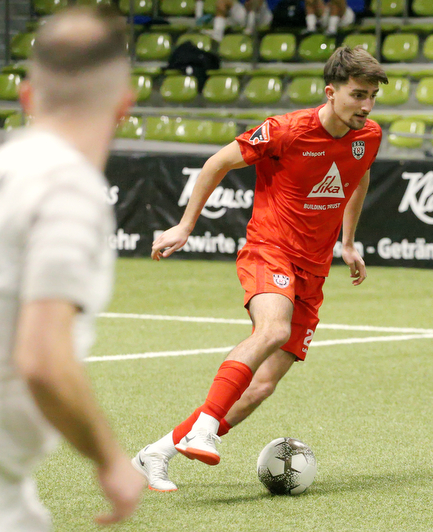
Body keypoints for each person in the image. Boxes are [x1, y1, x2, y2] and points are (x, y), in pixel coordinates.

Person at [132, 46, 387, 492]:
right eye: (358, 95)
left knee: (261, 387)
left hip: (314, 270)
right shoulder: (286, 130)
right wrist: (185, 226)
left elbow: (358, 174)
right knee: (272, 329)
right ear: (331, 92)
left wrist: (347, 243)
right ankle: (205, 429)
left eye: (372, 97)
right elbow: (217, 163)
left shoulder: (368, 134)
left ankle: (157, 452)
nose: (366, 106)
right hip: (270, 250)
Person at [0, 7, 144, 532]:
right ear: (124, 106)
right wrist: (110, 459)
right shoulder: (67, 186)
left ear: (27, 97)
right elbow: (42, 361)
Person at [199, 0, 273, 41]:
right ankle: (218, 33)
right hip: (244, 13)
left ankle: (250, 30)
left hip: (261, 17)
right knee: (222, 1)